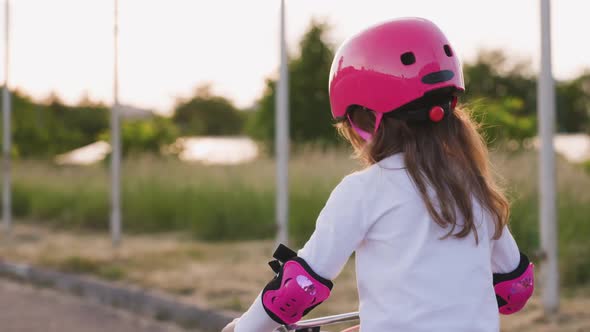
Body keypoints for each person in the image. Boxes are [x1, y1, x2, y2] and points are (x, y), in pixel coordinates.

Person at [222, 17, 534, 332]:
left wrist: (244, 328)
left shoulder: (364, 190)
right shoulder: (471, 186)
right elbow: (515, 288)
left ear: (369, 120)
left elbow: (299, 287)